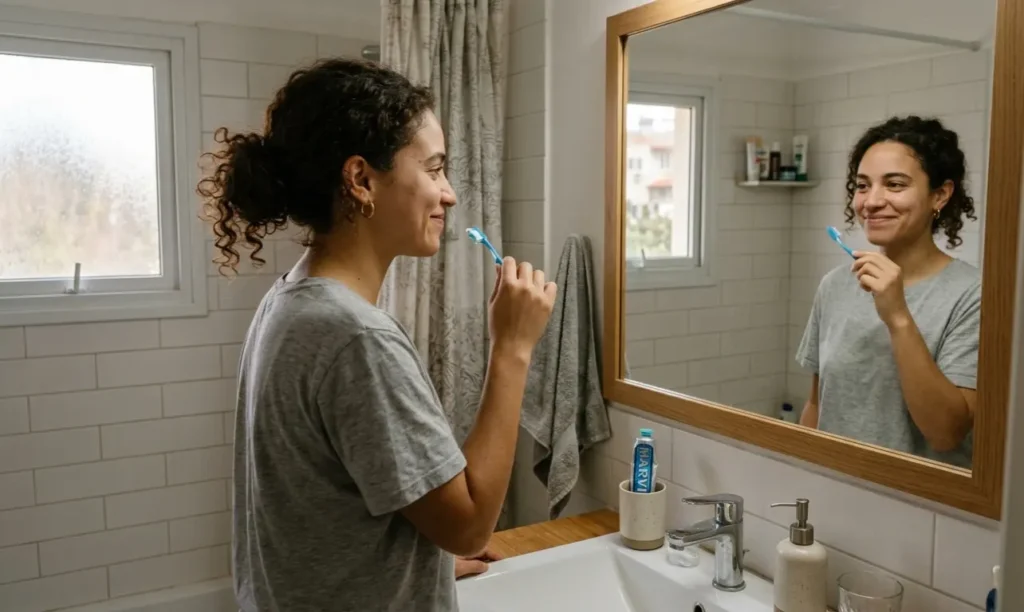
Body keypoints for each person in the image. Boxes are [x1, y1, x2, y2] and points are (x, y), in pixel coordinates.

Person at [198, 58, 557, 612]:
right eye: (434, 169)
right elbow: (469, 528)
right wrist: (512, 348)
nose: (449, 194)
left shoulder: (289, 300)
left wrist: (423, 563)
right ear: (361, 180)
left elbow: (324, 502)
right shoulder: (357, 338)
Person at [796, 115, 980, 469]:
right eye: (863, 186)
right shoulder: (835, 285)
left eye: (894, 185)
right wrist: (803, 474)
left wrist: (898, 317)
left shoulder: (973, 295)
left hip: (917, 498)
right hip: (834, 488)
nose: (872, 201)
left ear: (940, 194)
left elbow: (946, 434)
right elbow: (818, 406)